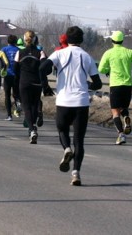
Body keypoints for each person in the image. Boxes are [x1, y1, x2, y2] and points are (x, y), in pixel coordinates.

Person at [40, 26, 101, 186]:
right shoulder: (87, 57)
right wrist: (87, 84)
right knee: (79, 141)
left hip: (63, 101)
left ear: (66, 39)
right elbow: (98, 83)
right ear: (81, 40)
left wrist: (45, 86)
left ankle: (66, 149)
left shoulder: (59, 54)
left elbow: (42, 68)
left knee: (62, 130)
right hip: (81, 102)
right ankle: (76, 173)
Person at [98, 31, 132, 145]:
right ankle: (127, 119)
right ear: (122, 40)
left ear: (112, 41)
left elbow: (100, 69)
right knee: (124, 107)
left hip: (115, 85)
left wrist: (107, 71)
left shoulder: (109, 53)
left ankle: (121, 134)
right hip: (127, 85)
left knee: (115, 111)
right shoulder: (129, 52)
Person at [14, 31, 46, 143]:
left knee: (26, 106)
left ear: (24, 39)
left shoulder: (20, 53)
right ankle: (32, 126)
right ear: (35, 39)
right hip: (37, 82)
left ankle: (32, 129)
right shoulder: (40, 53)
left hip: (24, 82)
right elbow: (45, 67)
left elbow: (15, 69)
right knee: (35, 104)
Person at [1, 35, 20, 120]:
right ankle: (18, 105)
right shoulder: (19, 50)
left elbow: (0, 59)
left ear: (7, 42)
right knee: (16, 94)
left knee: (7, 95)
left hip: (7, 74)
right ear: (15, 42)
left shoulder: (4, 49)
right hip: (17, 75)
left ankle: (9, 115)